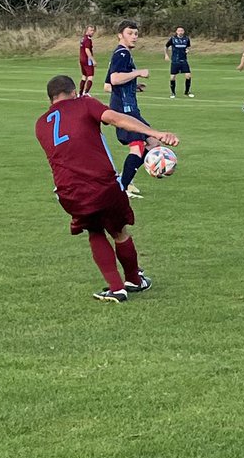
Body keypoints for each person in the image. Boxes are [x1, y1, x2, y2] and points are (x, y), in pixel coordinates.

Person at [35, 74, 179, 303]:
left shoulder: (41, 123)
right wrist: (154, 133)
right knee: (119, 231)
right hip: (101, 184)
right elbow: (115, 118)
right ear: (74, 92)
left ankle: (116, 288)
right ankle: (134, 279)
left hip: (68, 191)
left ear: (51, 98)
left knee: (94, 230)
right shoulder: (84, 103)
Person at [107, 19, 164, 199]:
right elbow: (114, 79)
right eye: (130, 33)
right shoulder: (121, 54)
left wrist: (133, 85)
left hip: (130, 107)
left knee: (154, 142)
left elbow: (108, 86)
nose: (134, 37)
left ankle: (125, 180)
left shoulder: (123, 55)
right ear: (120, 35)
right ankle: (121, 188)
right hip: (124, 109)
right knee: (137, 146)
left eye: (136, 34)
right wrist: (137, 73)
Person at [164, 26, 193, 98]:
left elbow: (188, 47)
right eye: (179, 30)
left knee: (188, 75)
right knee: (172, 77)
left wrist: (188, 50)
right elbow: (166, 46)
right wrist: (166, 55)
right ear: (176, 32)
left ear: (183, 32)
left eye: (182, 30)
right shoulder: (173, 39)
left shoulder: (186, 39)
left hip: (183, 60)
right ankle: (173, 93)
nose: (180, 32)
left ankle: (187, 92)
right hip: (175, 61)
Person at [78, 25, 96, 96]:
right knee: (90, 76)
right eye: (91, 30)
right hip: (87, 60)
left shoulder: (82, 39)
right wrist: (93, 60)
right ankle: (86, 92)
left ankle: (80, 93)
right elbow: (87, 50)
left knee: (84, 76)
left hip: (82, 59)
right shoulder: (88, 40)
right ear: (87, 30)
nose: (92, 32)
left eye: (93, 30)